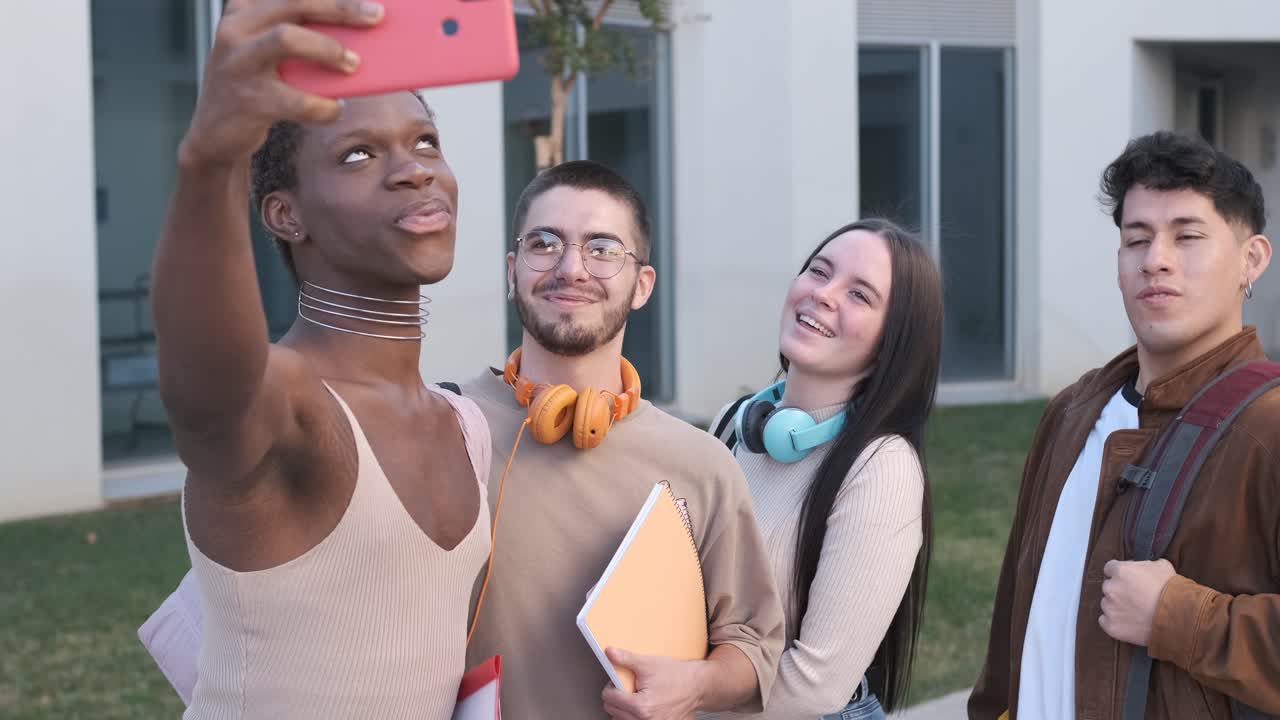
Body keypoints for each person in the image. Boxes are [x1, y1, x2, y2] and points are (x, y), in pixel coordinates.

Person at [142, 160, 787, 719]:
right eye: (545, 242)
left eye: (602, 248)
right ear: (512, 270)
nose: (571, 268)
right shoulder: (441, 427)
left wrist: (698, 682)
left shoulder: (700, 463)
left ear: (641, 284)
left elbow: (754, 648)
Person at [142, 1, 492, 718]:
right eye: (358, 154)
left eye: (425, 142)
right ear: (283, 214)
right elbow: (210, 391)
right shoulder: (290, 405)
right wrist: (211, 158)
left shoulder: (466, 424)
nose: (412, 171)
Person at [969, 130, 1279, 719]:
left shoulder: (1268, 427)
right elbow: (1016, 614)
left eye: (1187, 236)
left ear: (1251, 259)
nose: (1155, 258)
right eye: (1137, 239)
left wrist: (1178, 616)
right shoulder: (1073, 412)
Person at [703, 219, 942, 720]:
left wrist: (682, 695)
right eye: (818, 271)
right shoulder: (734, 423)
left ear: (891, 344)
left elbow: (815, 687)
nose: (824, 295)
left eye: (860, 294)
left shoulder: (882, 470)